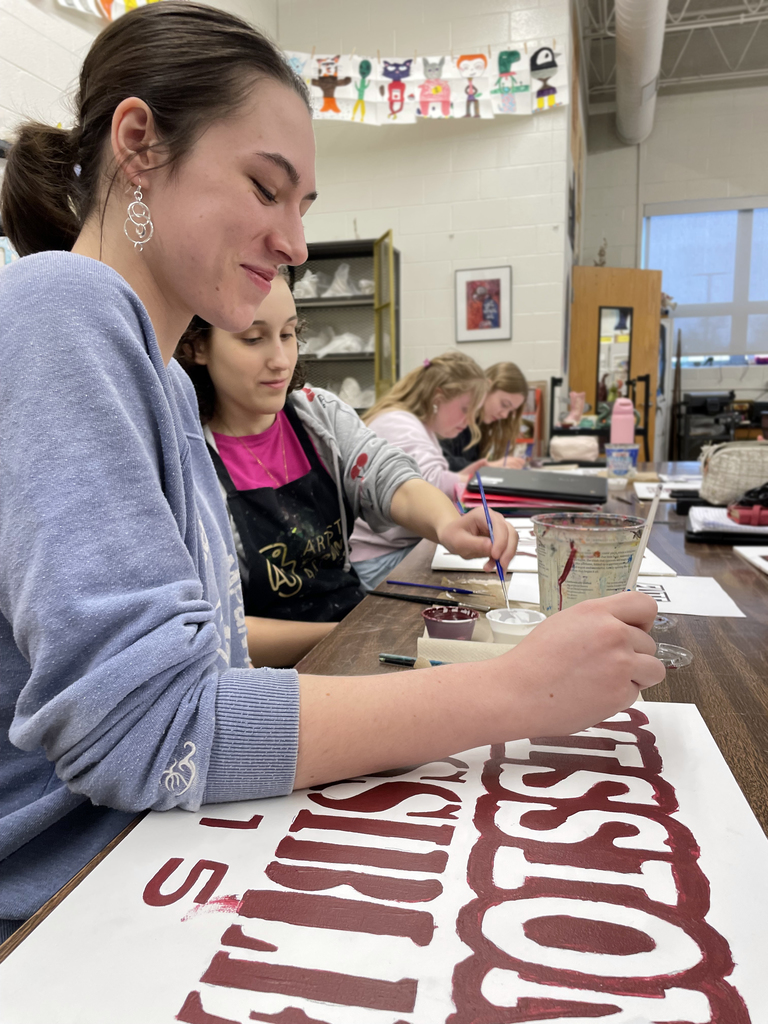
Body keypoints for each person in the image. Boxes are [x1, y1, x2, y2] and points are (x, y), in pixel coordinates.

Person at [0, 1, 664, 938]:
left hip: (151, 863)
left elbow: (198, 681)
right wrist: (514, 691)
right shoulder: (61, 307)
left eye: (303, 206)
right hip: (60, 913)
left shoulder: (154, 374)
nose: (297, 244)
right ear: (139, 144)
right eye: (266, 189)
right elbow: (149, 729)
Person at [175, 274, 499, 668]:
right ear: (197, 347)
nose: (280, 359)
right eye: (253, 338)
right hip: (269, 681)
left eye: (289, 334)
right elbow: (217, 634)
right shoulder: (185, 457)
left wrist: (448, 525)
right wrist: (350, 631)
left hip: (350, 635)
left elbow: (388, 475)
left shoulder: (317, 415)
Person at [349, 351, 496, 589]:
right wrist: (471, 480)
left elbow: (425, 475)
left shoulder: (411, 423)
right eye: (465, 409)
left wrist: (464, 475)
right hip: (376, 558)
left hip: (386, 549)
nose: (469, 422)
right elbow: (431, 485)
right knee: (471, 584)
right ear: (438, 396)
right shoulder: (400, 423)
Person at [442, 361, 529, 472]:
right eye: (504, 404)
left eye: (511, 411)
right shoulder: (455, 417)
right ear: (487, 387)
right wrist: (489, 466)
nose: (504, 415)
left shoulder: (479, 426)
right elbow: (440, 464)